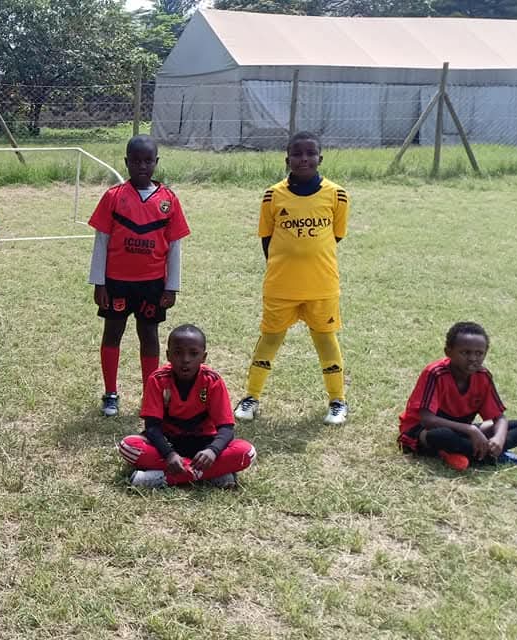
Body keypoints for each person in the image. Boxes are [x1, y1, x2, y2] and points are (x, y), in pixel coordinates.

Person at [234, 131, 350, 426]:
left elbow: (335, 235)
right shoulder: (273, 195)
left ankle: (337, 401)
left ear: (320, 158)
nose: (304, 159)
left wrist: (308, 256)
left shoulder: (337, 195)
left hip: (321, 286)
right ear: (287, 160)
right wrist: (285, 265)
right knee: (269, 339)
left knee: (326, 340)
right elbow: (267, 239)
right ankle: (251, 397)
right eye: (297, 154)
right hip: (281, 286)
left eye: (310, 154)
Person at [88, 135, 189, 417]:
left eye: (147, 161)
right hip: (117, 282)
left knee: (149, 335)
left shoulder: (168, 200)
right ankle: (110, 393)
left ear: (156, 162)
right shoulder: (113, 197)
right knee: (113, 333)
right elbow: (101, 241)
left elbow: (175, 247)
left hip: (152, 284)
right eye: (135, 161)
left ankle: (150, 394)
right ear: (126, 162)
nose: (142, 166)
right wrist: (99, 282)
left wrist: (172, 286)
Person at [118, 325, 256, 488]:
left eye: (193, 353)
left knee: (247, 452)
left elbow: (226, 428)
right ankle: (212, 474)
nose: (185, 359)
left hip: (204, 445)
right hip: (168, 443)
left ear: (203, 357)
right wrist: (169, 454)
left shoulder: (212, 380)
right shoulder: (158, 379)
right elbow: (152, 428)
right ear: (168, 355)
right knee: (128, 446)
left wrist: (212, 451)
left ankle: (165, 478)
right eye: (178, 353)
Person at [397, 322, 517, 473]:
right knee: (441, 435)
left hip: (461, 431)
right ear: (448, 352)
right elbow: (427, 420)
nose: (473, 358)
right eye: (465, 353)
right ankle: (502, 458)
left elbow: (499, 417)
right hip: (422, 431)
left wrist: (499, 439)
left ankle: (462, 452)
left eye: (479, 353)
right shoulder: (435, 373)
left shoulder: (483, 376)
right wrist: (471, 430)